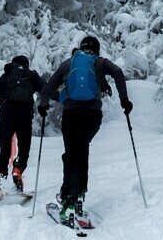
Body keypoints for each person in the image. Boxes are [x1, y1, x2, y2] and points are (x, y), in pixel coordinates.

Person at [38, 35, 132, 224]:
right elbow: (118, 72)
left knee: (71, 155)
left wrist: (43, 105)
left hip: (72, 114)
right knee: (82, 151)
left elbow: (48, 88)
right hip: (93, 116)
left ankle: (69, 202)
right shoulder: (99, 62)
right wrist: (124, 100)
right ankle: (79, 196)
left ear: (81, 48)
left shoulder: (69, 63)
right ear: (97, 49)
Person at [0, 55, 44, 201]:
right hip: (24, 117)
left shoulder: (6, 76)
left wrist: (1, 101)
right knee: (24, 149)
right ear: (26, 65)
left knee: (4, 152)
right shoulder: (31, 75)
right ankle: (18, 169)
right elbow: (46, 90)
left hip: (7, 116)